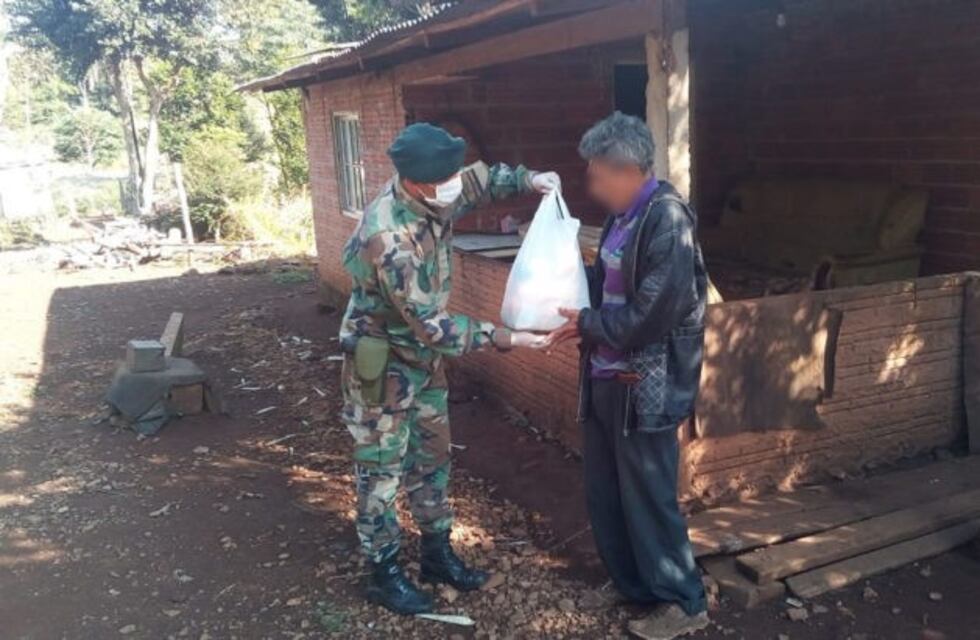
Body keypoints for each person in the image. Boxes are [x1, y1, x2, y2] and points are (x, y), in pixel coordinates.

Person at [339, 122, 558, 615]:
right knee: (381, 469)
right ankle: (384, 572)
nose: (456, 184)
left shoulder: (436, 195)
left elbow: (480, 180)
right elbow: (432, 327)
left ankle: (437, 555)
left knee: (432, 456)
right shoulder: (389, 238)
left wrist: (530, 179)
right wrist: (507, 337)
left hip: (422, 361)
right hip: (385, 364)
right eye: (447, 179)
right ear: (418, 184)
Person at [548, 112, 710, 640]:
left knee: (649, 496)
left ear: (627, 170)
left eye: (597, 175)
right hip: (604, 374)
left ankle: (683, 601)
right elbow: (607, 289)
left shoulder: (667, 220)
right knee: (607, 491)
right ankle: (635, 586)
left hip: (645, 386)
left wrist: (588, 323)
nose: (591, 186)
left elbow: (652, 315)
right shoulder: (622, 218)